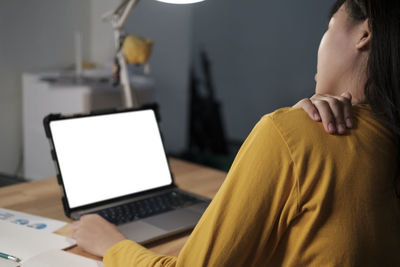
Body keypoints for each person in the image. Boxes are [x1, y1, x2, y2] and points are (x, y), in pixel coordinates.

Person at [72, 0, 400, 266]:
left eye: (328, 28)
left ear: (364, 34)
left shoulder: (292, 134)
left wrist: (113, 245)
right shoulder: (386, 143)